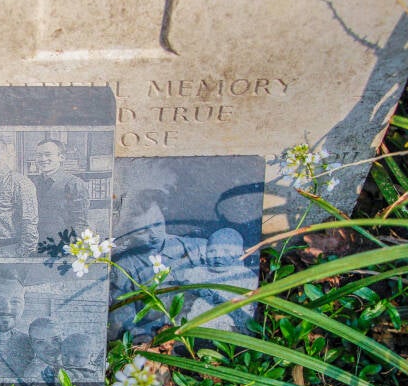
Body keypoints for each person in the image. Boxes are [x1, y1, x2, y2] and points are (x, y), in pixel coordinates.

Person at [108, 195, 206, 341]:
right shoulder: (124, 268)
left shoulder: (195, 247)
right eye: (143, 232)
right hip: (157, 342)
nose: (154, 235)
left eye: (157, 224)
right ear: (128, 235)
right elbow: (123, 325)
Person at [181, 228, 258, 332]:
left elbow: (246, 311)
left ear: (239, 253)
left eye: (226, 251)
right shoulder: (197, 272)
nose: (218, 256)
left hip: (227, 328)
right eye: (212, 251)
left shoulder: (246, 276)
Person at [30, 139, 90, 243]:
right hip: (35, 242)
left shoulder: (74, 184)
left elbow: (79, 223)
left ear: (61, 157)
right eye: (39, 155)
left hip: (61, 245)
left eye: (48, 154)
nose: (43, 159)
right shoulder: (33, 183)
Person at [23, 318, 62, 382]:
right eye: (40, 342)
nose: (50, 347)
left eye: (55, 339)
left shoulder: (67, 361)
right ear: (31, 344)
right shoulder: (35, 374)